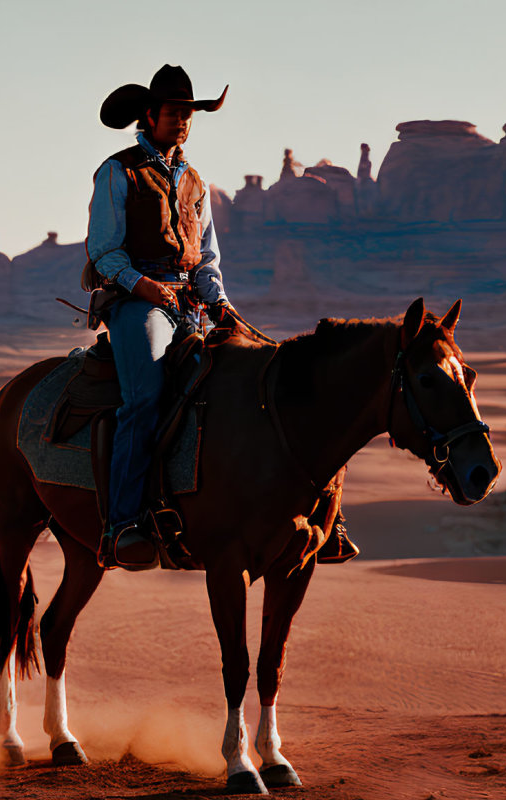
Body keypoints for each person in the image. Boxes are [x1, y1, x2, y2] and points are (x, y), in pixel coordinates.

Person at [85, 64, 357, 571]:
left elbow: (206, 257)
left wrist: (219, 302)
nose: (183, 121)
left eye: (189, 114)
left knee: (261, 379)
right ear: (149, 115)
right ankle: (122, 523)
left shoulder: (193, 182)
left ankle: (317, 515)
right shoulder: (117, 172)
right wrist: (147, 288)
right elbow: (104, 252)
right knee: (144, 397)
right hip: (137, 301)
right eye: (174, 112)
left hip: (191, 304)